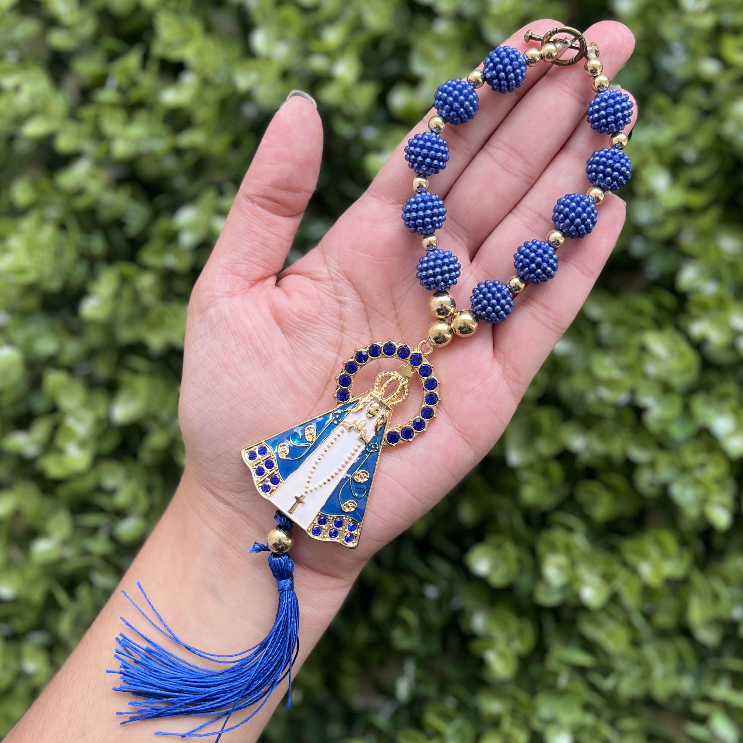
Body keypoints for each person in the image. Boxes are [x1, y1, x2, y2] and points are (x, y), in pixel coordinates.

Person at [6, 18, 635, 743]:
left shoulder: (409, 375)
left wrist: (236, 511)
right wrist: (225, 511)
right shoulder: (399, 343)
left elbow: (395, 408)